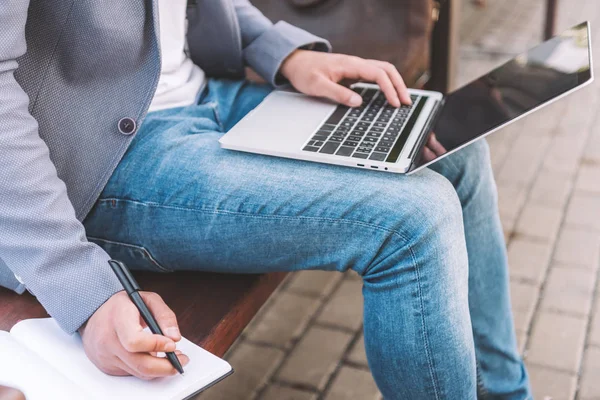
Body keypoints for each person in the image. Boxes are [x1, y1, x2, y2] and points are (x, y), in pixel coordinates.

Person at [0, 1, 531, 398]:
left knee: (454, 153)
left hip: (209, 97)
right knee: (417, 218)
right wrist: (83, 289)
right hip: (105, 160)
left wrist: (283, 53)